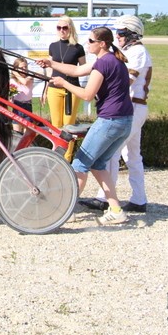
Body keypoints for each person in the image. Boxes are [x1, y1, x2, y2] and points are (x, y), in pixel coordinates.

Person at [37, 27, 133, 225]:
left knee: (79, 165)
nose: (87, 44)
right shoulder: (112, 60)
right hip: (124, 122)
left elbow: (87, 95)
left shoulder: (103, 64)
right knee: (98, 165)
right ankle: (115, 209)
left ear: (102, 44)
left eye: (90, 41)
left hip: (109, 121)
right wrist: (51, 63)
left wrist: (64, 84)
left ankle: (65, 210)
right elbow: (76, 70)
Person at [80, 16, 153, 213]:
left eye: (121, 34)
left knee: (111, 153)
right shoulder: (128, 52)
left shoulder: (137, 52)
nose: (118, 37)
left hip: (133, 107)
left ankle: (105, 199)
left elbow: (124, 83)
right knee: (132, 156)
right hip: (134, 108)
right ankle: (139, 199)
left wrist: (97, 86)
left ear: (132, 35)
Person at [42, 16, 86, 160]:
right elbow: (50, 70)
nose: (62, 31)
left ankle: (67, 160)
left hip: (71, 89)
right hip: (54, 88)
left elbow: (84, 68)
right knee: (56, 125)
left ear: (70, 29)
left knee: (69, 125)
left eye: (65, 28)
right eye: (59, 28)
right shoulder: (53, 46)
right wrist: (45, 88)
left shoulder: (78, 48)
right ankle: (56, 157)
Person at [10, 57, 35, 133]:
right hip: (17, 106)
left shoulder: (30, 77)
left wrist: (15, 73)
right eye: (21, 68)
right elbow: (11, 94)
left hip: (27, 106)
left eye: (26, 67)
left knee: (26, 134)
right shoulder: (12, 80)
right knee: (16, 132)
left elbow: (24, 82)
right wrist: (11, 98)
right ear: (16, 68)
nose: (24, 69)